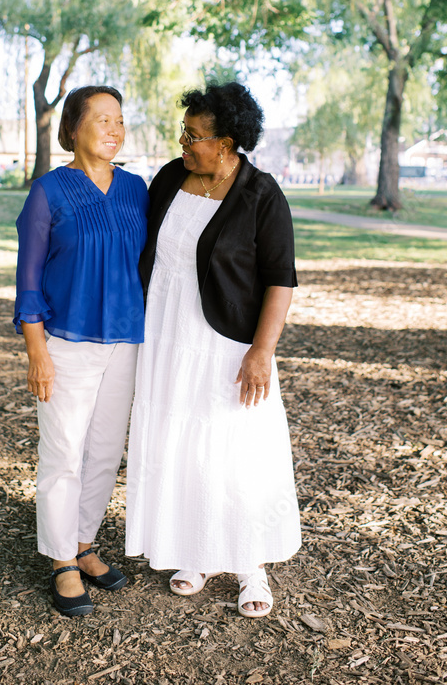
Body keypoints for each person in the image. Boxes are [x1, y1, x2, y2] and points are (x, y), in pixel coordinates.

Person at [125, 82, 301, 618]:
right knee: (179, 446)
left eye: (193, 136)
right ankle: (195, 550)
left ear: (225, 143)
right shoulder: (170, 178)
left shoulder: (260, 194)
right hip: (165, 337)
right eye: (183, 133)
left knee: (234, 451)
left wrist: (262, 351)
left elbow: (280, 279)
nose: (183, 143)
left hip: (227, 344)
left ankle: (250, 566)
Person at [13, 85, 149, 618]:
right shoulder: (48, 192)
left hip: (126, 342)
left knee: (105, 452)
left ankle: (84, 544)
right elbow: (28, 279)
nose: (115, 130)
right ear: (73, 129)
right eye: (102, 120)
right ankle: (61, 561)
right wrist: (37, 352)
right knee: (63, 455)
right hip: (67, 344)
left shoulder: (136, 189)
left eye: (120, 120)